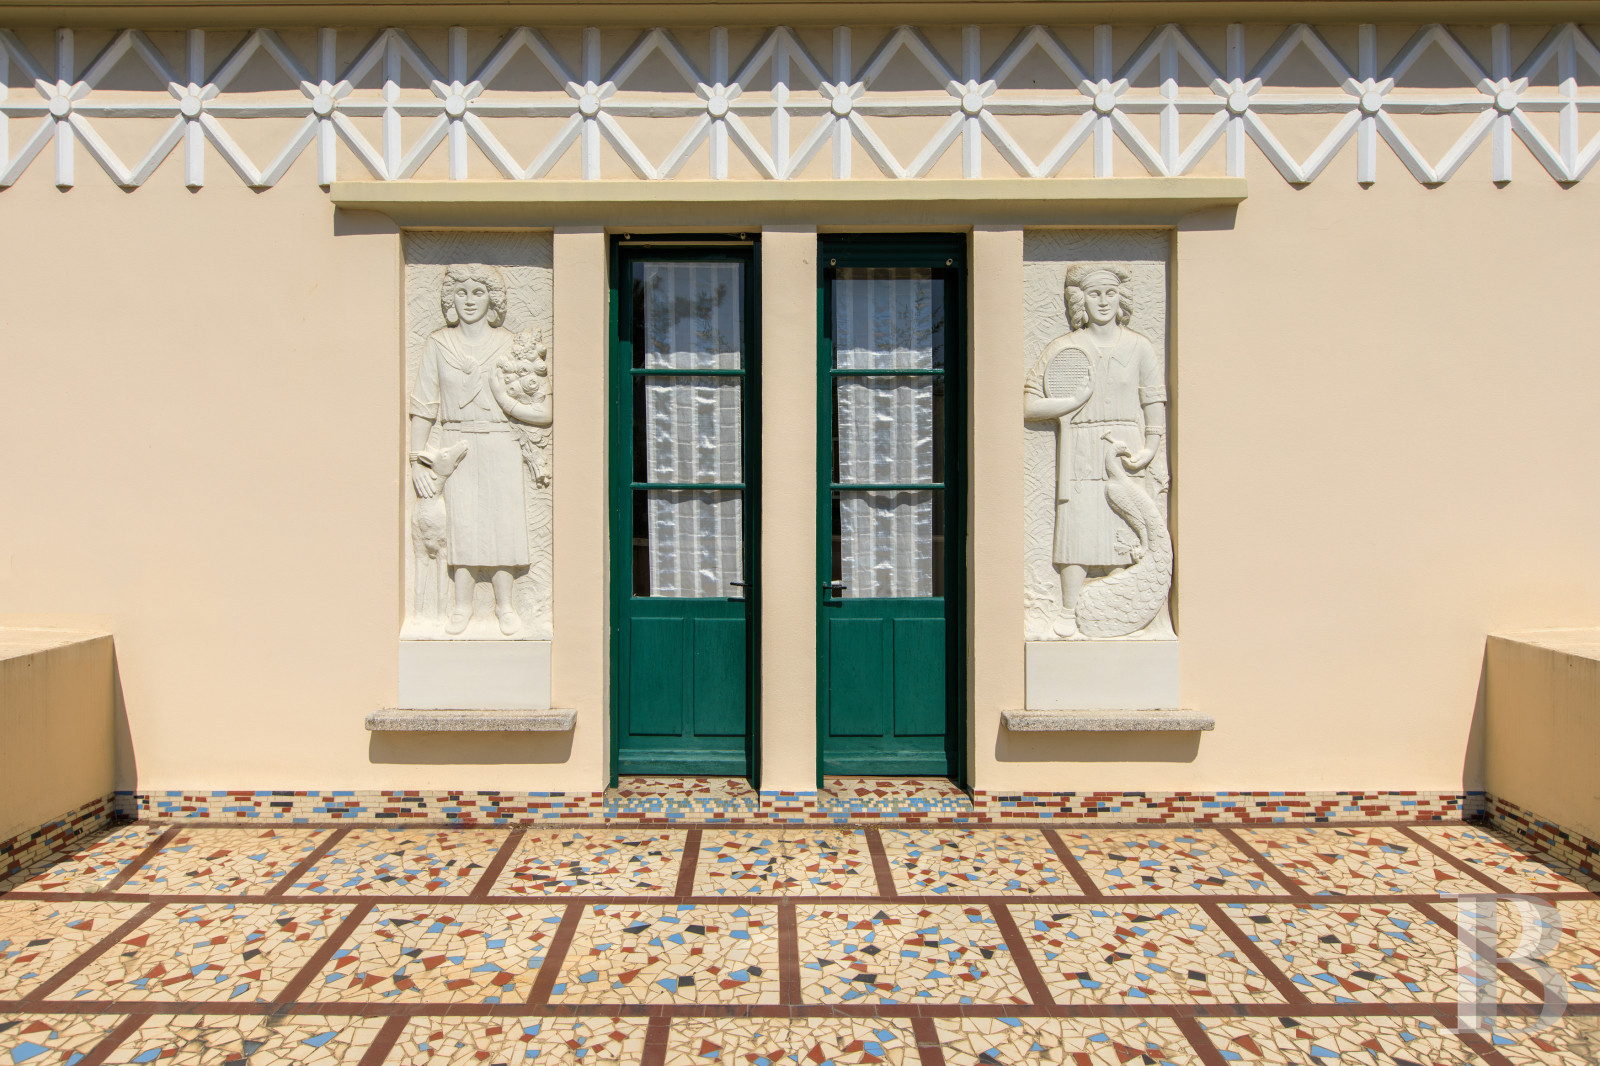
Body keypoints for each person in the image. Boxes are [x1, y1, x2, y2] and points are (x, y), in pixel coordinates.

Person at [1023, 264, 1166, 638]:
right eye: (1094, 294)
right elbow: (1031, 404)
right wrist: (1071, 401)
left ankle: (1119, 609)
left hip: (1124, 449)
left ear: (1121, 300)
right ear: (1079, 300)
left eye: (1110, 293)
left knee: (1124, 529)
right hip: (1080, 446)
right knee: (1077, 527)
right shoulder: (1064, 348)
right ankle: (1069, 610)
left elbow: (1153, 399)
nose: (1103, 302)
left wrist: (1151, 446)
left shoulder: (1139, 347)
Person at [409, 264, 532, 636]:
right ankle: (461, 605)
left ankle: (505, 606)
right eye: (461, 292)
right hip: (457, 444)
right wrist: (417, 459)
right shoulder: (437, 344)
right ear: (450, 299)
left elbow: (531, 397)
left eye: (478, 292)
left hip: (500, 441)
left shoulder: (510, 343)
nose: (469, 301)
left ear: (492, 298)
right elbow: (423, 405)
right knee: (461, 523)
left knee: (502, 522)